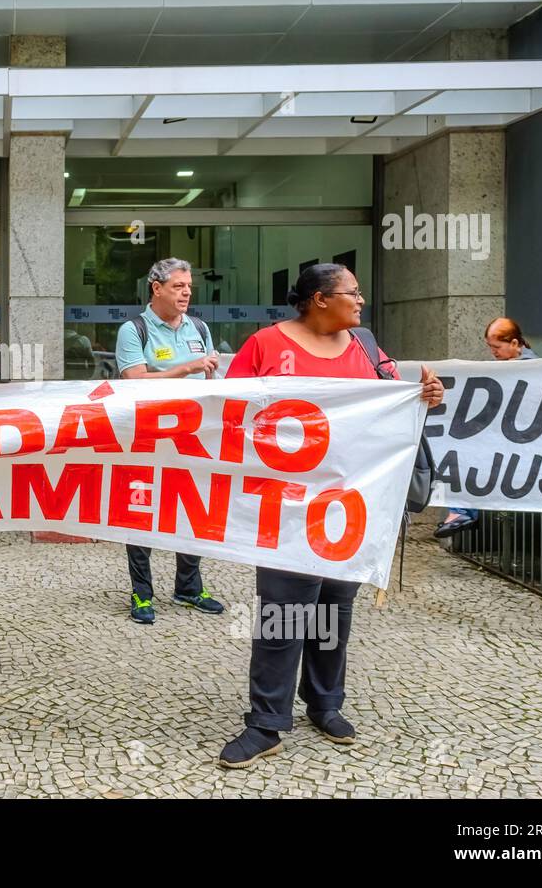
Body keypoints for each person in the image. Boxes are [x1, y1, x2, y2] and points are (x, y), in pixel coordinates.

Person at [218, 263, 444, 769]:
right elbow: (226, 414)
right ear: (320, 299)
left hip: (349, 505)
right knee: (283, 611)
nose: (360, 301)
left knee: (334, 607)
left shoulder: (363, 344)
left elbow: (394, 399)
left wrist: (426, 396)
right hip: (286, 506)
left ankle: (324, 703)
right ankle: (267, 722)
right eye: (352, 293)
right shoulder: (265, 346)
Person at [115, 257, 225, 624]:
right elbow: (134, 380)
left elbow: (213, 381)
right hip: (148, 436)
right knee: (141, 511)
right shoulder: (135, 330)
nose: (187, 292)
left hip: (192, 436)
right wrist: (184, 370)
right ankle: (142, 593)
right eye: (178, 286)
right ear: (156, 288)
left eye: (189, 287)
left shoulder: (199, 327)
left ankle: (188, 588)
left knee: (191, 508)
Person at [434, 316, 538, 539]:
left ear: (514, 343)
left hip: (522, 442)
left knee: (466, 455)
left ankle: (462, 511)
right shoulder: (508, 366)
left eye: (497, 347)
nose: (493, 352)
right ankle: (461, 510)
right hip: (506, 437)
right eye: (490, 347)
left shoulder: (530, 367)